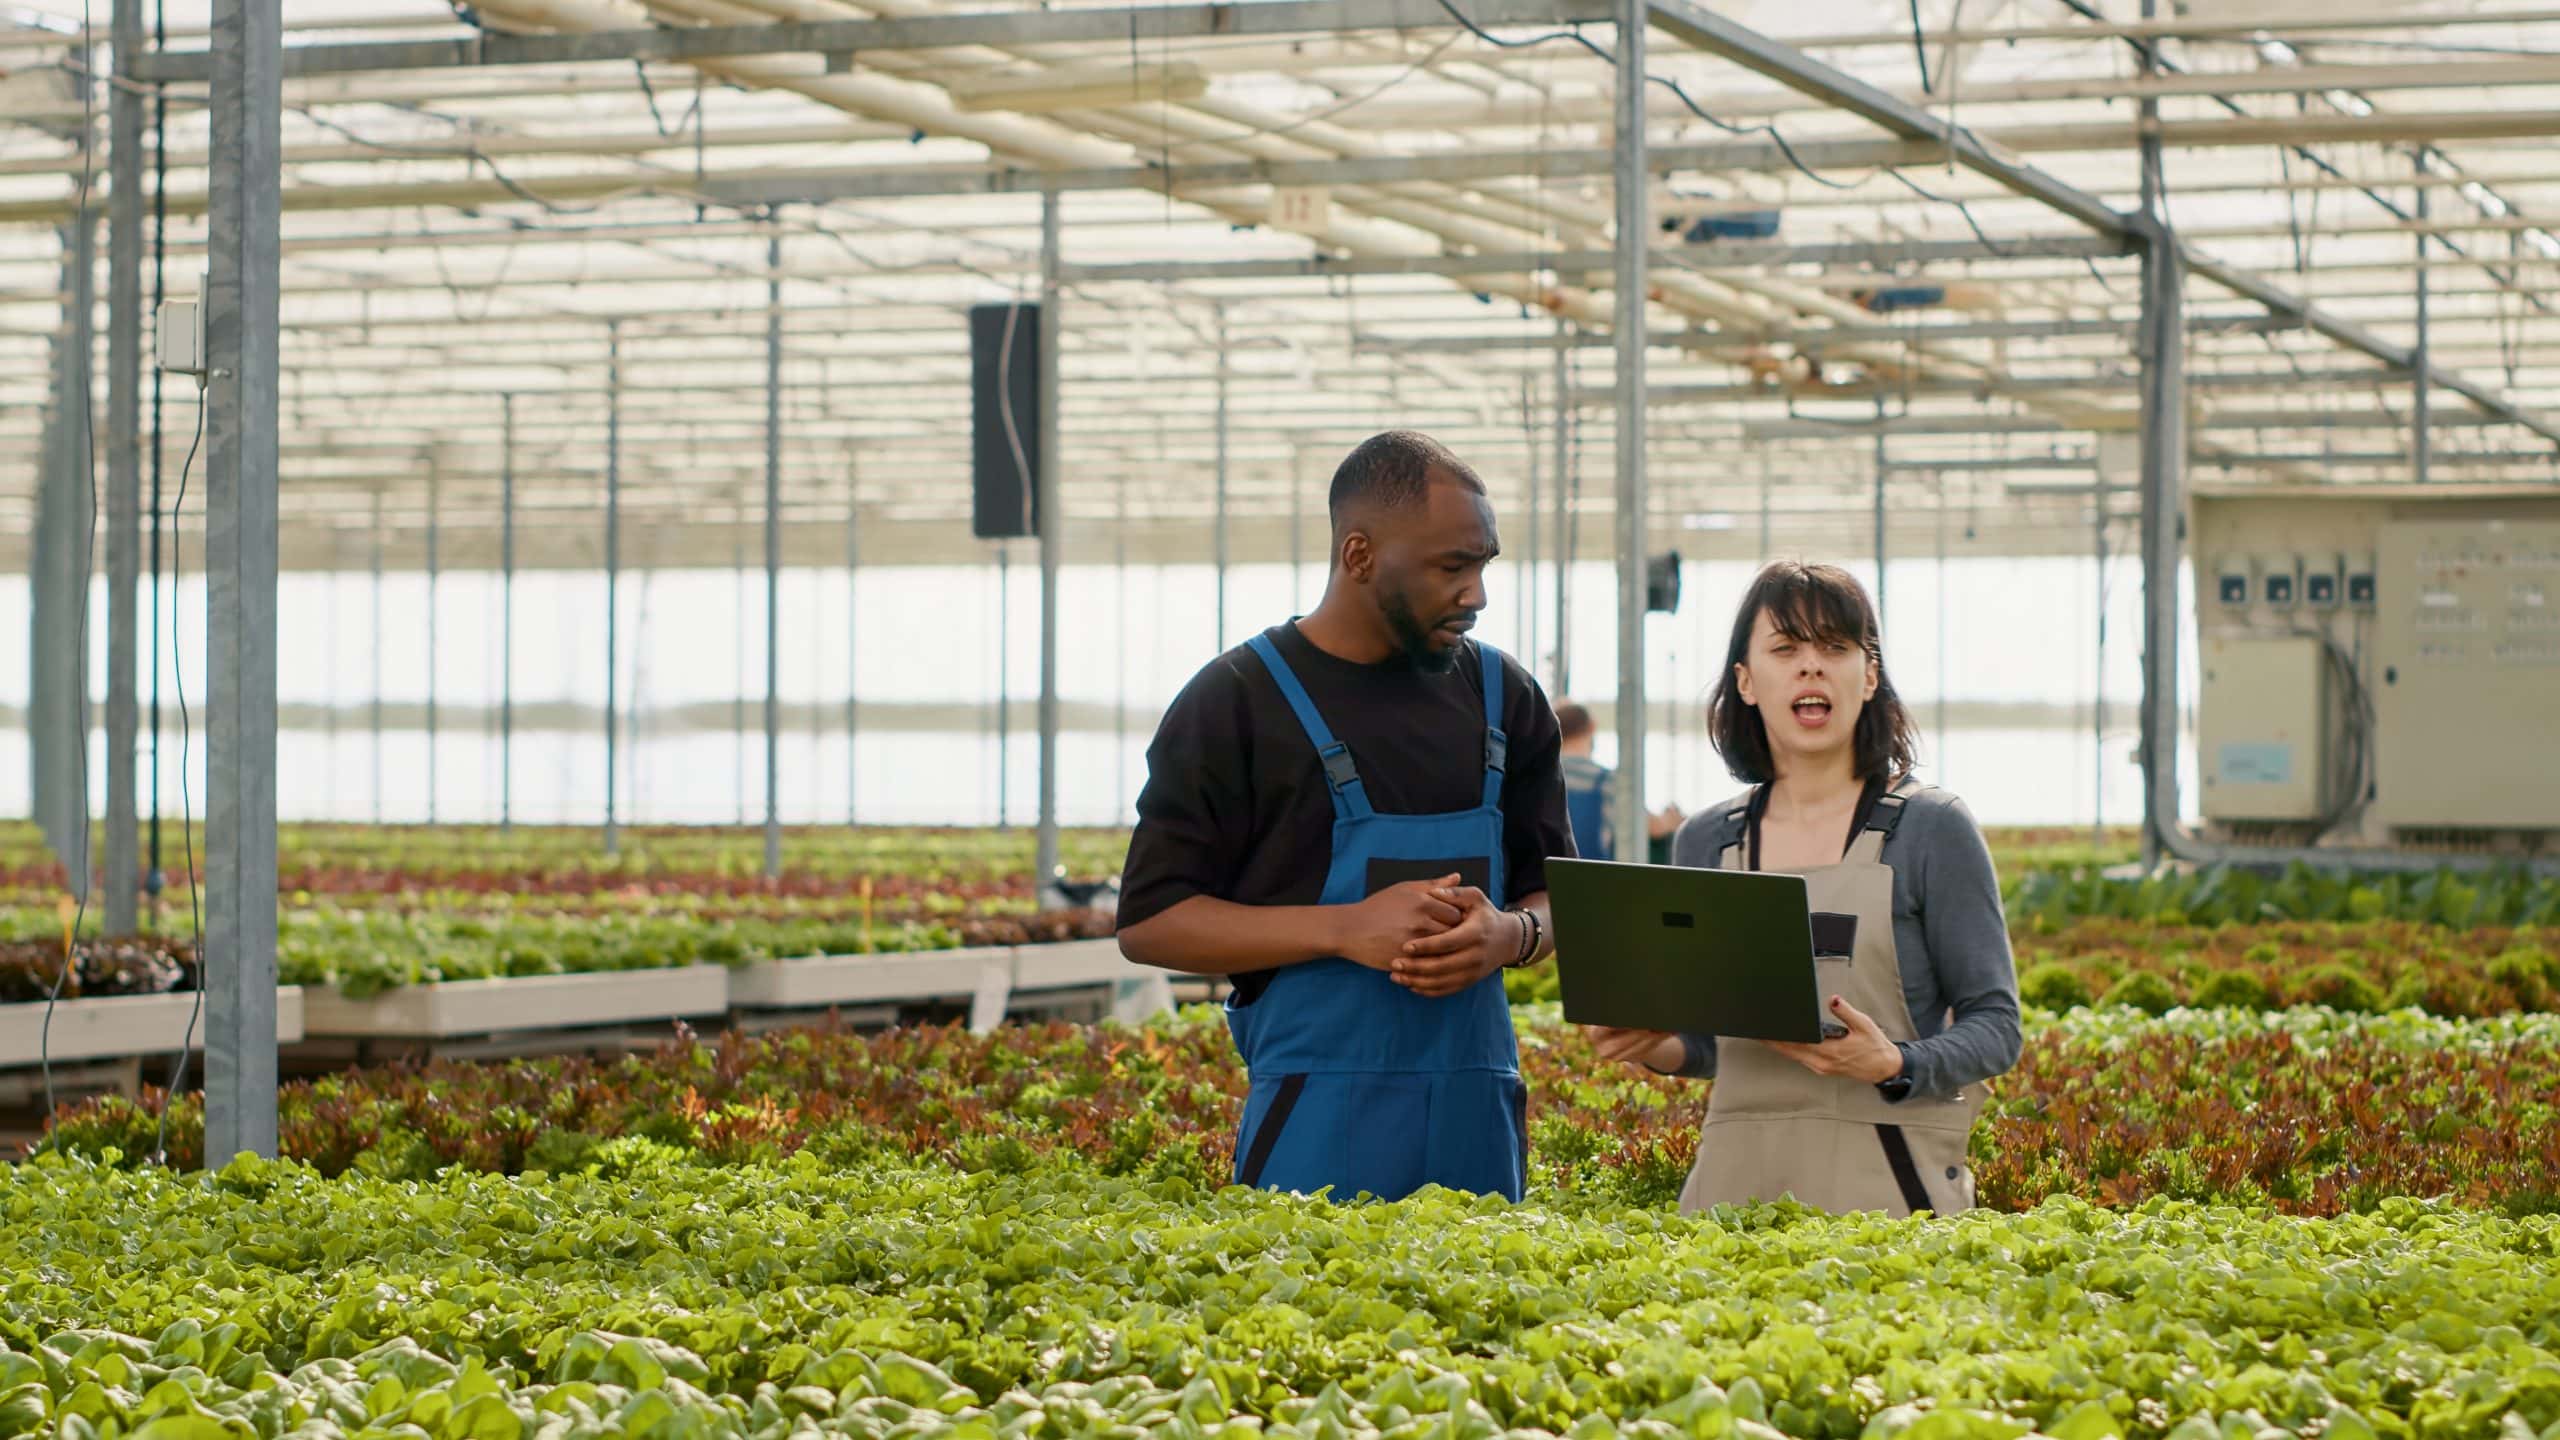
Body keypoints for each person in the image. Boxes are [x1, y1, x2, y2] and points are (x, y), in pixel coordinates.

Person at [1116, 430, 1572, 1204]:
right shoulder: (1237, 701)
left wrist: (1511, 934)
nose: (1476, 595)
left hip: (1478, 1124)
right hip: (1313, 1129)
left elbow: (1559, 894)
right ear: (1359, 556)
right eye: (1450, 567)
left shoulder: (1506, 701)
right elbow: (1151, 923)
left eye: (1483, 565)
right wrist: (1342, 929)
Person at [1586, 560, 2019, 1216]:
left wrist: (1895, 1062)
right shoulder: (1709, 842)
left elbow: (1996, 1025)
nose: (1810, 667)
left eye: (1835, 648)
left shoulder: (1932, 829)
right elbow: (1713, 1042)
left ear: (1869, 676)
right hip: (1732, 1196)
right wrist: (1658, 1046)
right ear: (1746, 681)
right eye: (1785, 649)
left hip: (1890, 1198)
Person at [1554, 701, 1684, 865]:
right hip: (1590, 877)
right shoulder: (1606, 781)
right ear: (1592, 727)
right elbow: (1651, 826)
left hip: (1545, 877)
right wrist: (1671, 821)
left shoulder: (1542, 776)